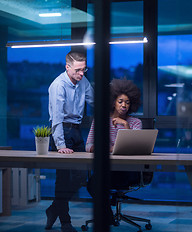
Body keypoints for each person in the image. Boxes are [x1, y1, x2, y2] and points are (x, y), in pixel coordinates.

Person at [47, 51, 94, 232]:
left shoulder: (83, 82)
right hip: (62, 132)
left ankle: (54, 208)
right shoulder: (58, 85)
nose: (81, 74)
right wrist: (60, 145)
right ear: (67, 67)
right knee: (63, 178)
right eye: (78, 70)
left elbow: (95, 101)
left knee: (81, 176)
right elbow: (57, 117)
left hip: (76, 131)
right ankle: (65, 222)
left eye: (84, 69)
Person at [85, 78, 142, 225]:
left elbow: (134, 147)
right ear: (113, 102)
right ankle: (108, 213)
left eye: (127, 102)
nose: (124, 105)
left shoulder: (135, 122)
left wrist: (126, 125)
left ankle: (106, 215)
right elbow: (89, 145)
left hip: (128, 170)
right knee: (92, 184)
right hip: (108, 168)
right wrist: (109, 149)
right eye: (120, 101)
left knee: (98, 182)